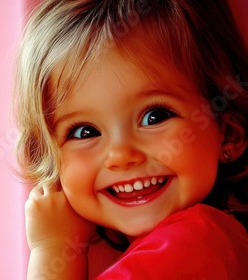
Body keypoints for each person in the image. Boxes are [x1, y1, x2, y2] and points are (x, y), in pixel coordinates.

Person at [14, 0, 248, 279]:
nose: (121, 155)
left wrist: (53, 250)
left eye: (155, 116)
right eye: (84, 132)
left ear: (228, 133)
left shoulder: (191, 243)